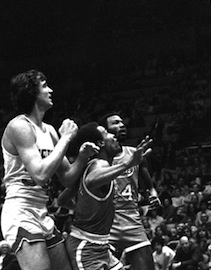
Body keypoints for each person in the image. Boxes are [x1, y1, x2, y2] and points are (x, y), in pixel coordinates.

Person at [1, 70, 99, 270]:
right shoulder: (19, 126)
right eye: (45, 86)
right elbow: (39, 174)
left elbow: (67, 178)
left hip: (42, 211)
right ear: (31, 92)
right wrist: (66, 139)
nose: (50, 90)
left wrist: (82, 157)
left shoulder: (50, 131)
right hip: (21, 211)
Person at [65, 122, 152, 270]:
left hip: (101, 245)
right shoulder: (100, 165)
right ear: (100, 143)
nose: (113, 136)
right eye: (107, 133)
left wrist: (86, 211)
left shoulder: (91, 166)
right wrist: (128, 164)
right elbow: (91, 180)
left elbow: (62, 200)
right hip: (86, 248)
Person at [99, 113, 156, 270]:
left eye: (122, 122)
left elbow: (149, 185)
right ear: (104, 131)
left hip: (132, 219)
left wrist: (152, 193)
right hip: (107, 222)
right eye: (115, 123)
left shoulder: (135, 153)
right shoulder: (98, 160)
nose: (121, 125)